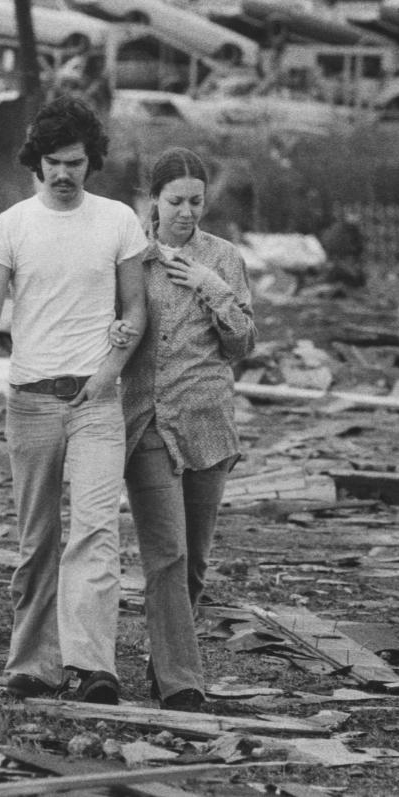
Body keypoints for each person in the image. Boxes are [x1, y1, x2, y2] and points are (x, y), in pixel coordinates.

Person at [0, 95, 147, 705]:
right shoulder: (9, 227)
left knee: (95, 531)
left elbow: (136, 309)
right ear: (35, 162)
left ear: (91, 161)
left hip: (96, 400)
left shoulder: (118, 220)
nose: (64, 173)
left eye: (75, 161)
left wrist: (111, 366)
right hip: (30, 403)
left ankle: (94, 667)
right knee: (36, 538)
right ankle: (34, 665)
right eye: (53, 161)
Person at [109, 147, 256, 712]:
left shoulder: (223, 258)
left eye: (196, 202)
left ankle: (163, 659)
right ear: (153, 201)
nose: (187, 213)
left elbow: (243, 343)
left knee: (193, 562)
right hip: (147, 425)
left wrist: (209, 285)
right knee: (165, 554)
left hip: (208, 428)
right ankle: (182, 684)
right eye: (176, 202)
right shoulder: (130, 260)